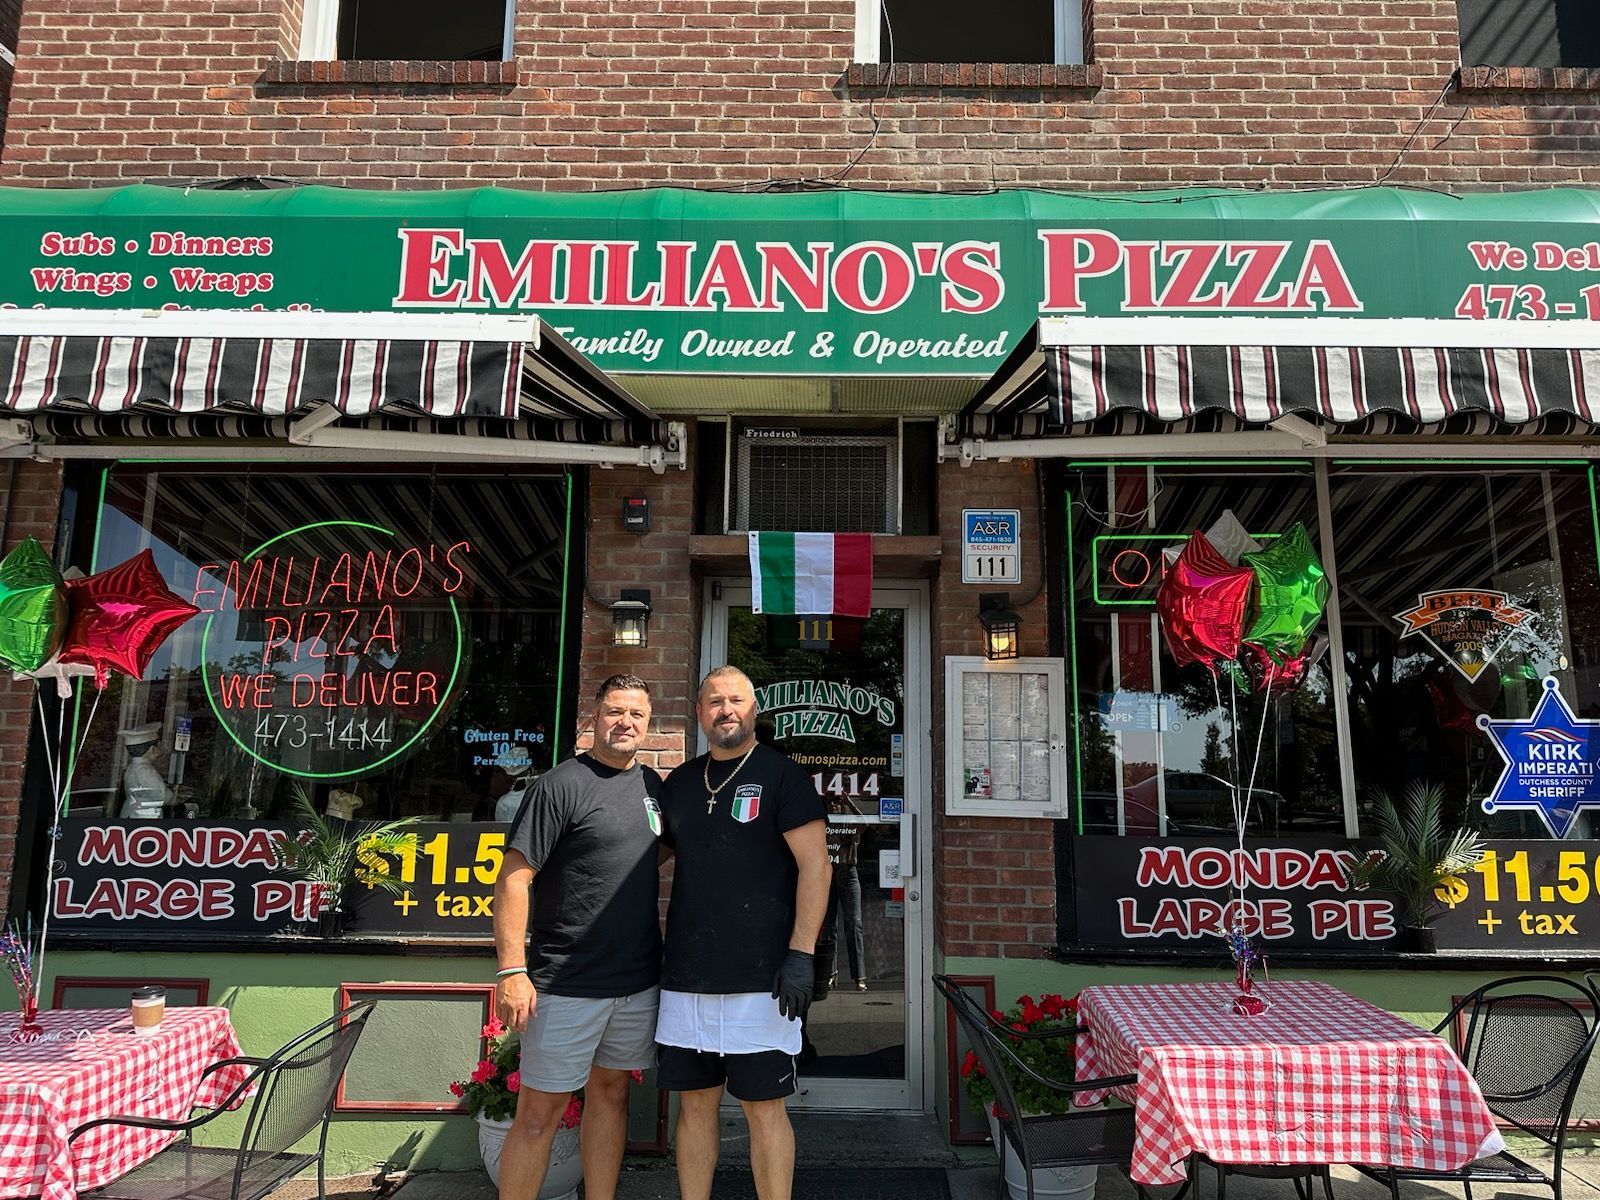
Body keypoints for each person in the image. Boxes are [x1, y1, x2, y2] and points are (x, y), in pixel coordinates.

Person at [656, 666, 830, 1200]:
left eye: (736, 701)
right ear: (699, 712)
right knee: (695, 1105)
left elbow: (816, 867)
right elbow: (643, 860)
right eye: (714, 702)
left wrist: (801, 953)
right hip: (686, 978)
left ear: (754, 711)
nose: (726, 710)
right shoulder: (681, 783)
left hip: (762, 980)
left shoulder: (783, 776)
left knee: (763, 1108)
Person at [491, 674, 663, 1200]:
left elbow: (648, 853)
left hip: (635, 980)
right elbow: (514, 878)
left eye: (636, 714)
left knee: (611, 1095)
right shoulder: (558, 785)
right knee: (538, 1114)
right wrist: (512, 970)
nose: (625, 722)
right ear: (594, 717)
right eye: (615, 711)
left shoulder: (653, 786)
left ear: (648, 723)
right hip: (566, 982)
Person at [118, 723, 174, 819]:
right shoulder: (146, 770)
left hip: (132, 812)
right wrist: (177, 795)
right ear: (152, 749)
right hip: (146, 814)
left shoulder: (132, 767)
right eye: (158, 745)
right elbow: (164, 797)